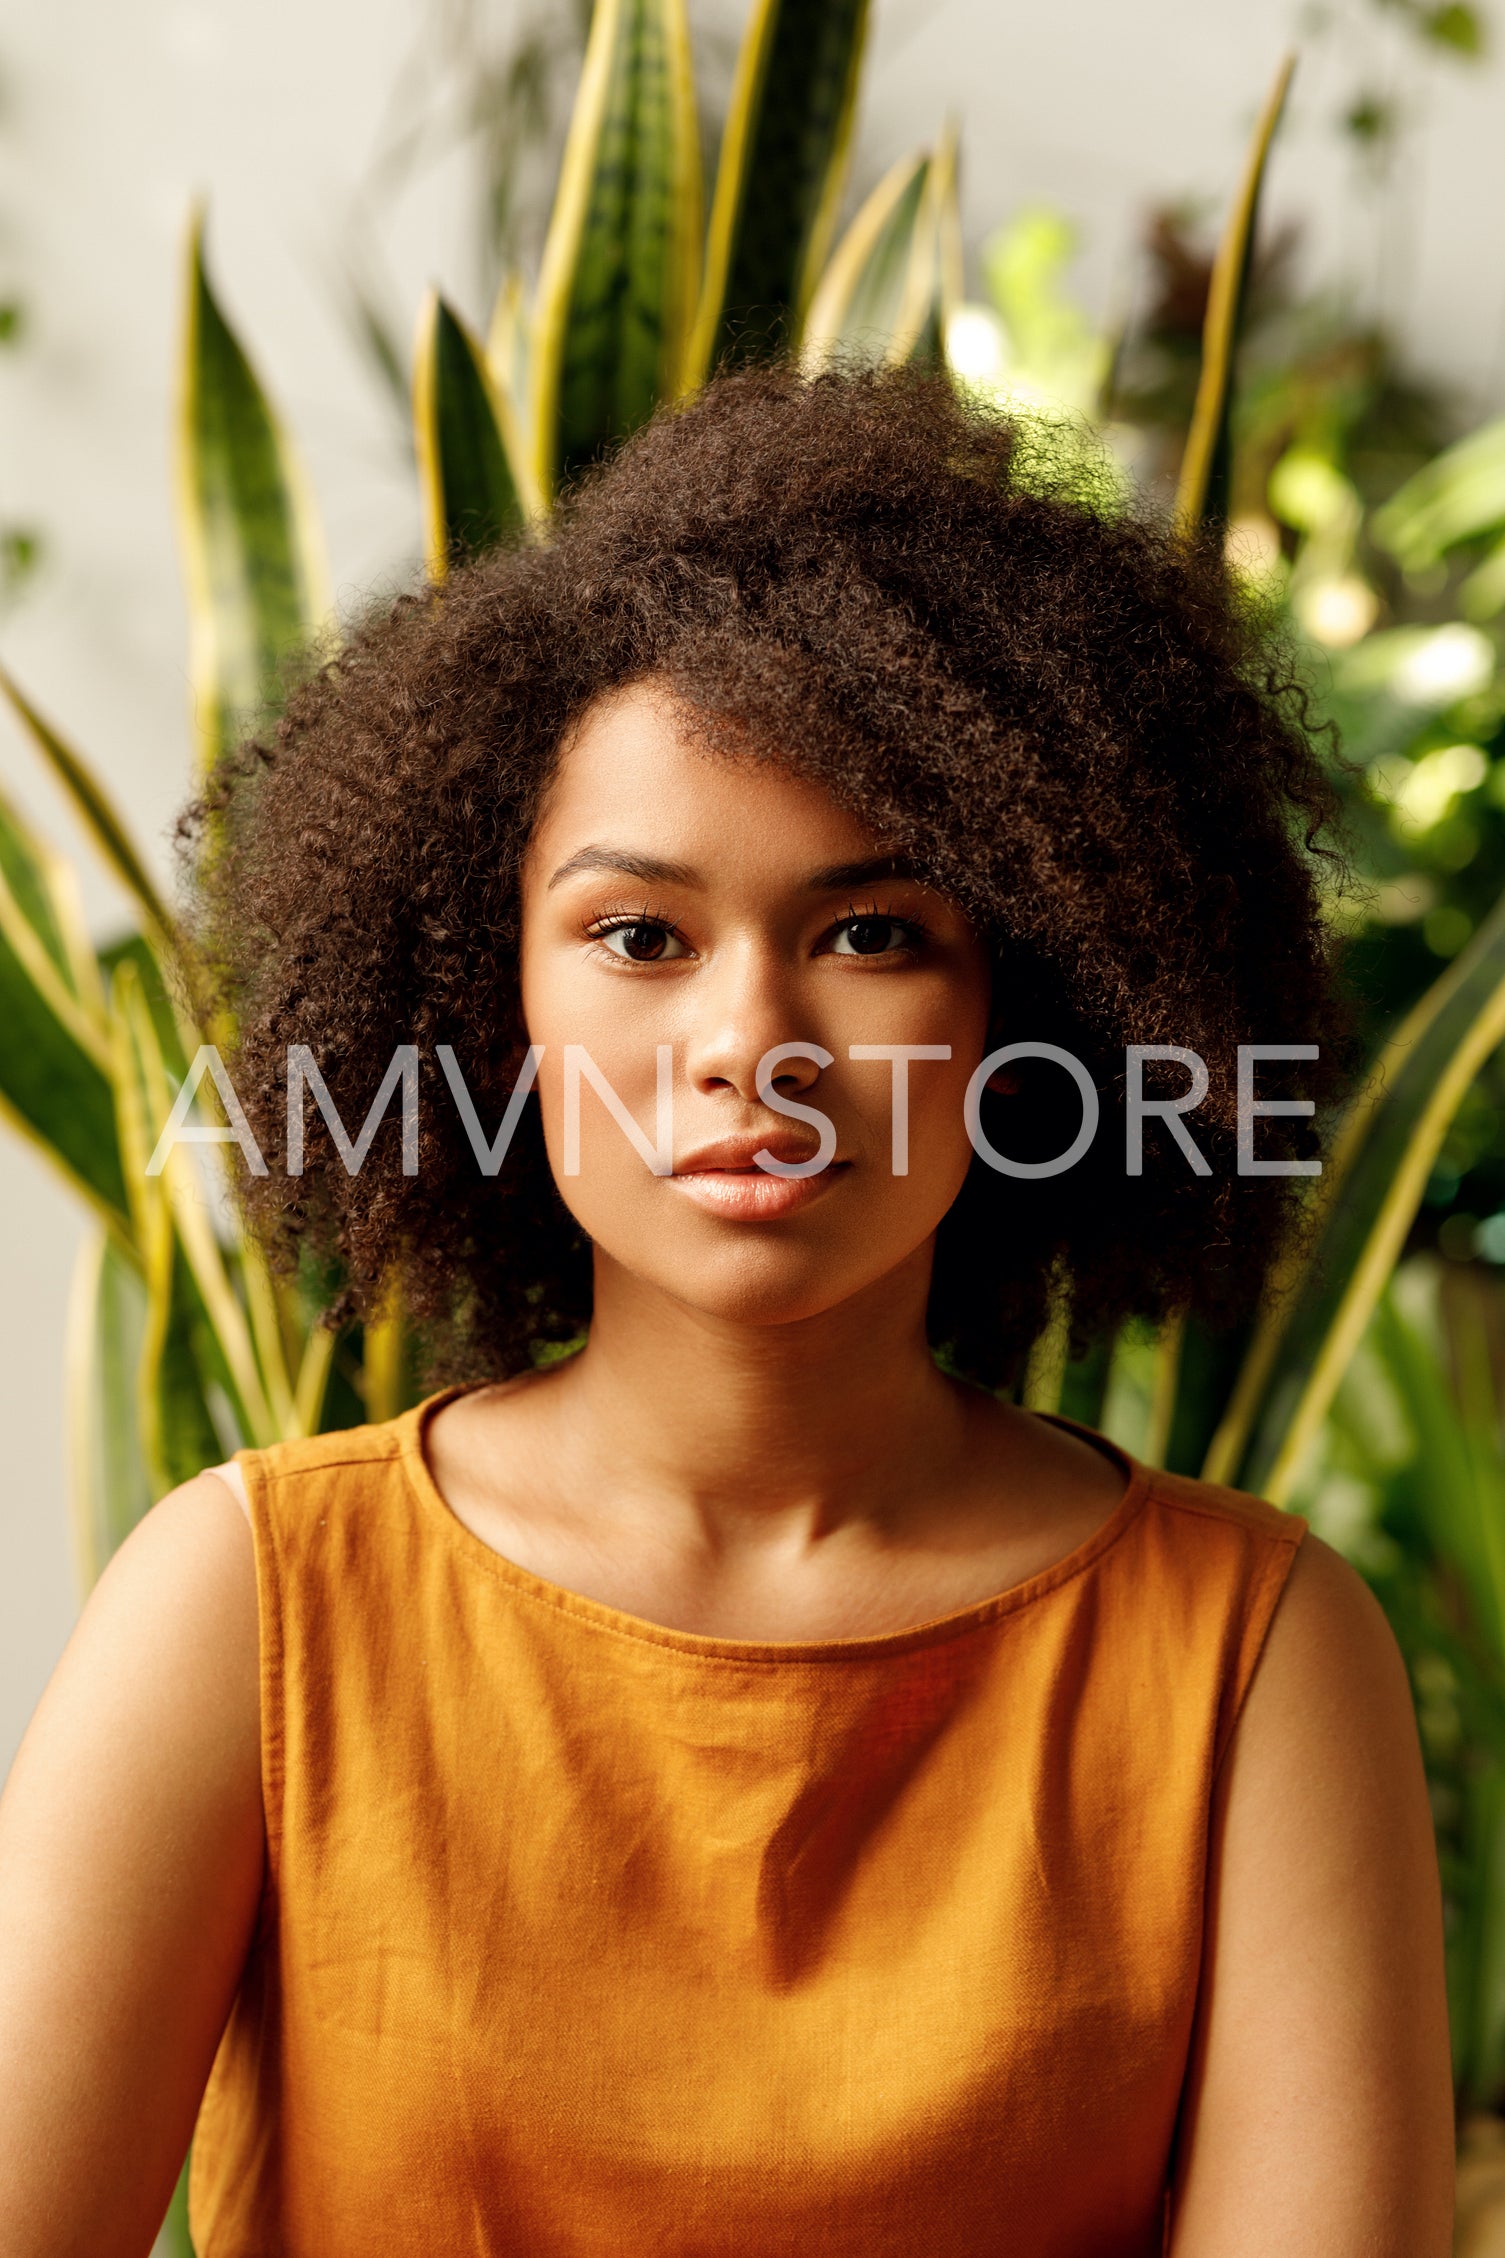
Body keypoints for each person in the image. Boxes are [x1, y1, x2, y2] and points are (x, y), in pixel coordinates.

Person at [0, 369, 1453, 2256]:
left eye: (870, 934)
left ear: (1036, 1011)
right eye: (637, 936)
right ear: (483, 997)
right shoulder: (255, 1604)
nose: (747, 1044)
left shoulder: (1250, 1658)